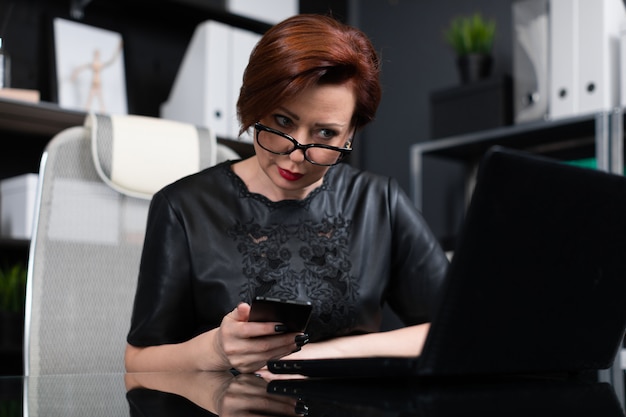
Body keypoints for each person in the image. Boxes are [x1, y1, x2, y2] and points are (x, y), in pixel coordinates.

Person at [124, 13, 449, 376]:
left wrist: (329, 352)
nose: (296, 156)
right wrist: (214, 350)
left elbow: (458, 329)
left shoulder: (378, 203)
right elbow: (138, 360)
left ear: (350, 133)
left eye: (325, 134)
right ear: (256, 103)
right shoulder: (183, 207)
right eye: (282, 123)